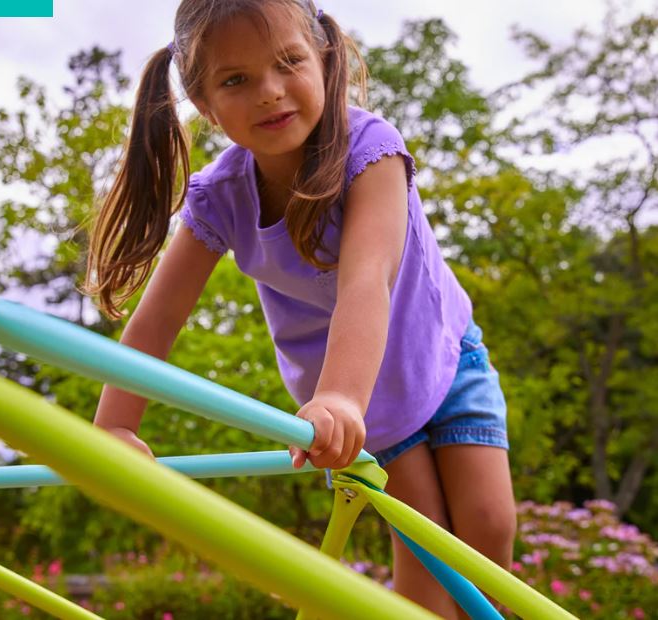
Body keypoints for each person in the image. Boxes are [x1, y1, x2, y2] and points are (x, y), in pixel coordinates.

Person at [85, 1, 516, 616]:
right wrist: (115, 427)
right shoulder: (220, 197)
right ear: (205, 106)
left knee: (488, 527)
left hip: (440, 357)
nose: (270, 92)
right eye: (236, 80)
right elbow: (158, 320)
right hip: (367, 406)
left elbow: (367, 278)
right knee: (427, 557)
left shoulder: (372, 149)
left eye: (289, 62)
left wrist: (339, 393)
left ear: (325, 61)